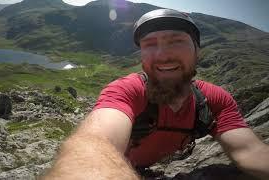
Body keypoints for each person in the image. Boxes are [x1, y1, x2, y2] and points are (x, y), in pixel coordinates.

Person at [43, 9, 269, 179]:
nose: (162, 55)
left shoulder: (215, 100)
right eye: (150, 44)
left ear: (197, 49)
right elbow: (95, 144)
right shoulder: (126, 90)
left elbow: (250, 151)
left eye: (176, 41)